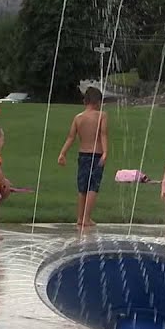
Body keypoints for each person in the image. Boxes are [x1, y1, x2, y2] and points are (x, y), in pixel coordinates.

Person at [57, 87, 109, 227]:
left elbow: (70, 137)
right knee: (93, 186)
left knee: (82, 187)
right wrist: (105, 152)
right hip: (96, 155)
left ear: (85, 101)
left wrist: (62, 153)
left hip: (83, 155)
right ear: (98, 102)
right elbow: (103, 134)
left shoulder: (78, 118)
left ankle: (80, 217)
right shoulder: (102, 115)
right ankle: (87, 217)